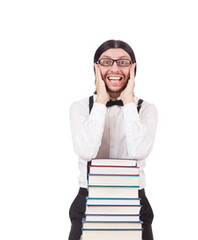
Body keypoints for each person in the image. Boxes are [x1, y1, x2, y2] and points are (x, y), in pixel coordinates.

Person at [68, 40, 158, 240]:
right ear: (96, 67)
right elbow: (86, 151)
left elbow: (139, 151)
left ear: (133, 68)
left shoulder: (147, 109)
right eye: (107, 62)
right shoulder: (81, 107)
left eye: (123, 62)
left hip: (135, 203)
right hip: (88, 202)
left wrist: (128, 102)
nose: (115, 68)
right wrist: (101, 100)